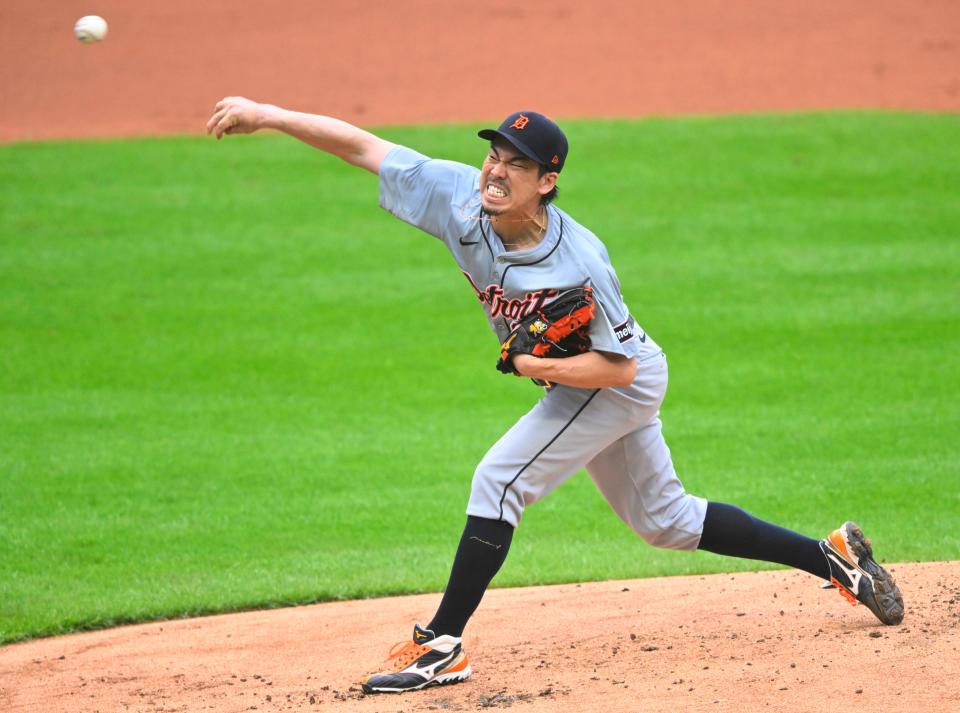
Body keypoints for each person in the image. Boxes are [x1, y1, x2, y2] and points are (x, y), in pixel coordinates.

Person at [206, 98, 905, 694]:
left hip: (615, 379)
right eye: (493, 155)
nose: (495, 170)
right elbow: (363, 145)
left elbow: (621, 370)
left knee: (499, 478)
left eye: (515, 162)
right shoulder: (456, 196)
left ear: (547, 180)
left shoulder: (580, 259)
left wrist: (532, 359)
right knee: (665, 521)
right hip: (591, 379)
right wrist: (268, 114)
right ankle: (835, 556)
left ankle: (441, 643)